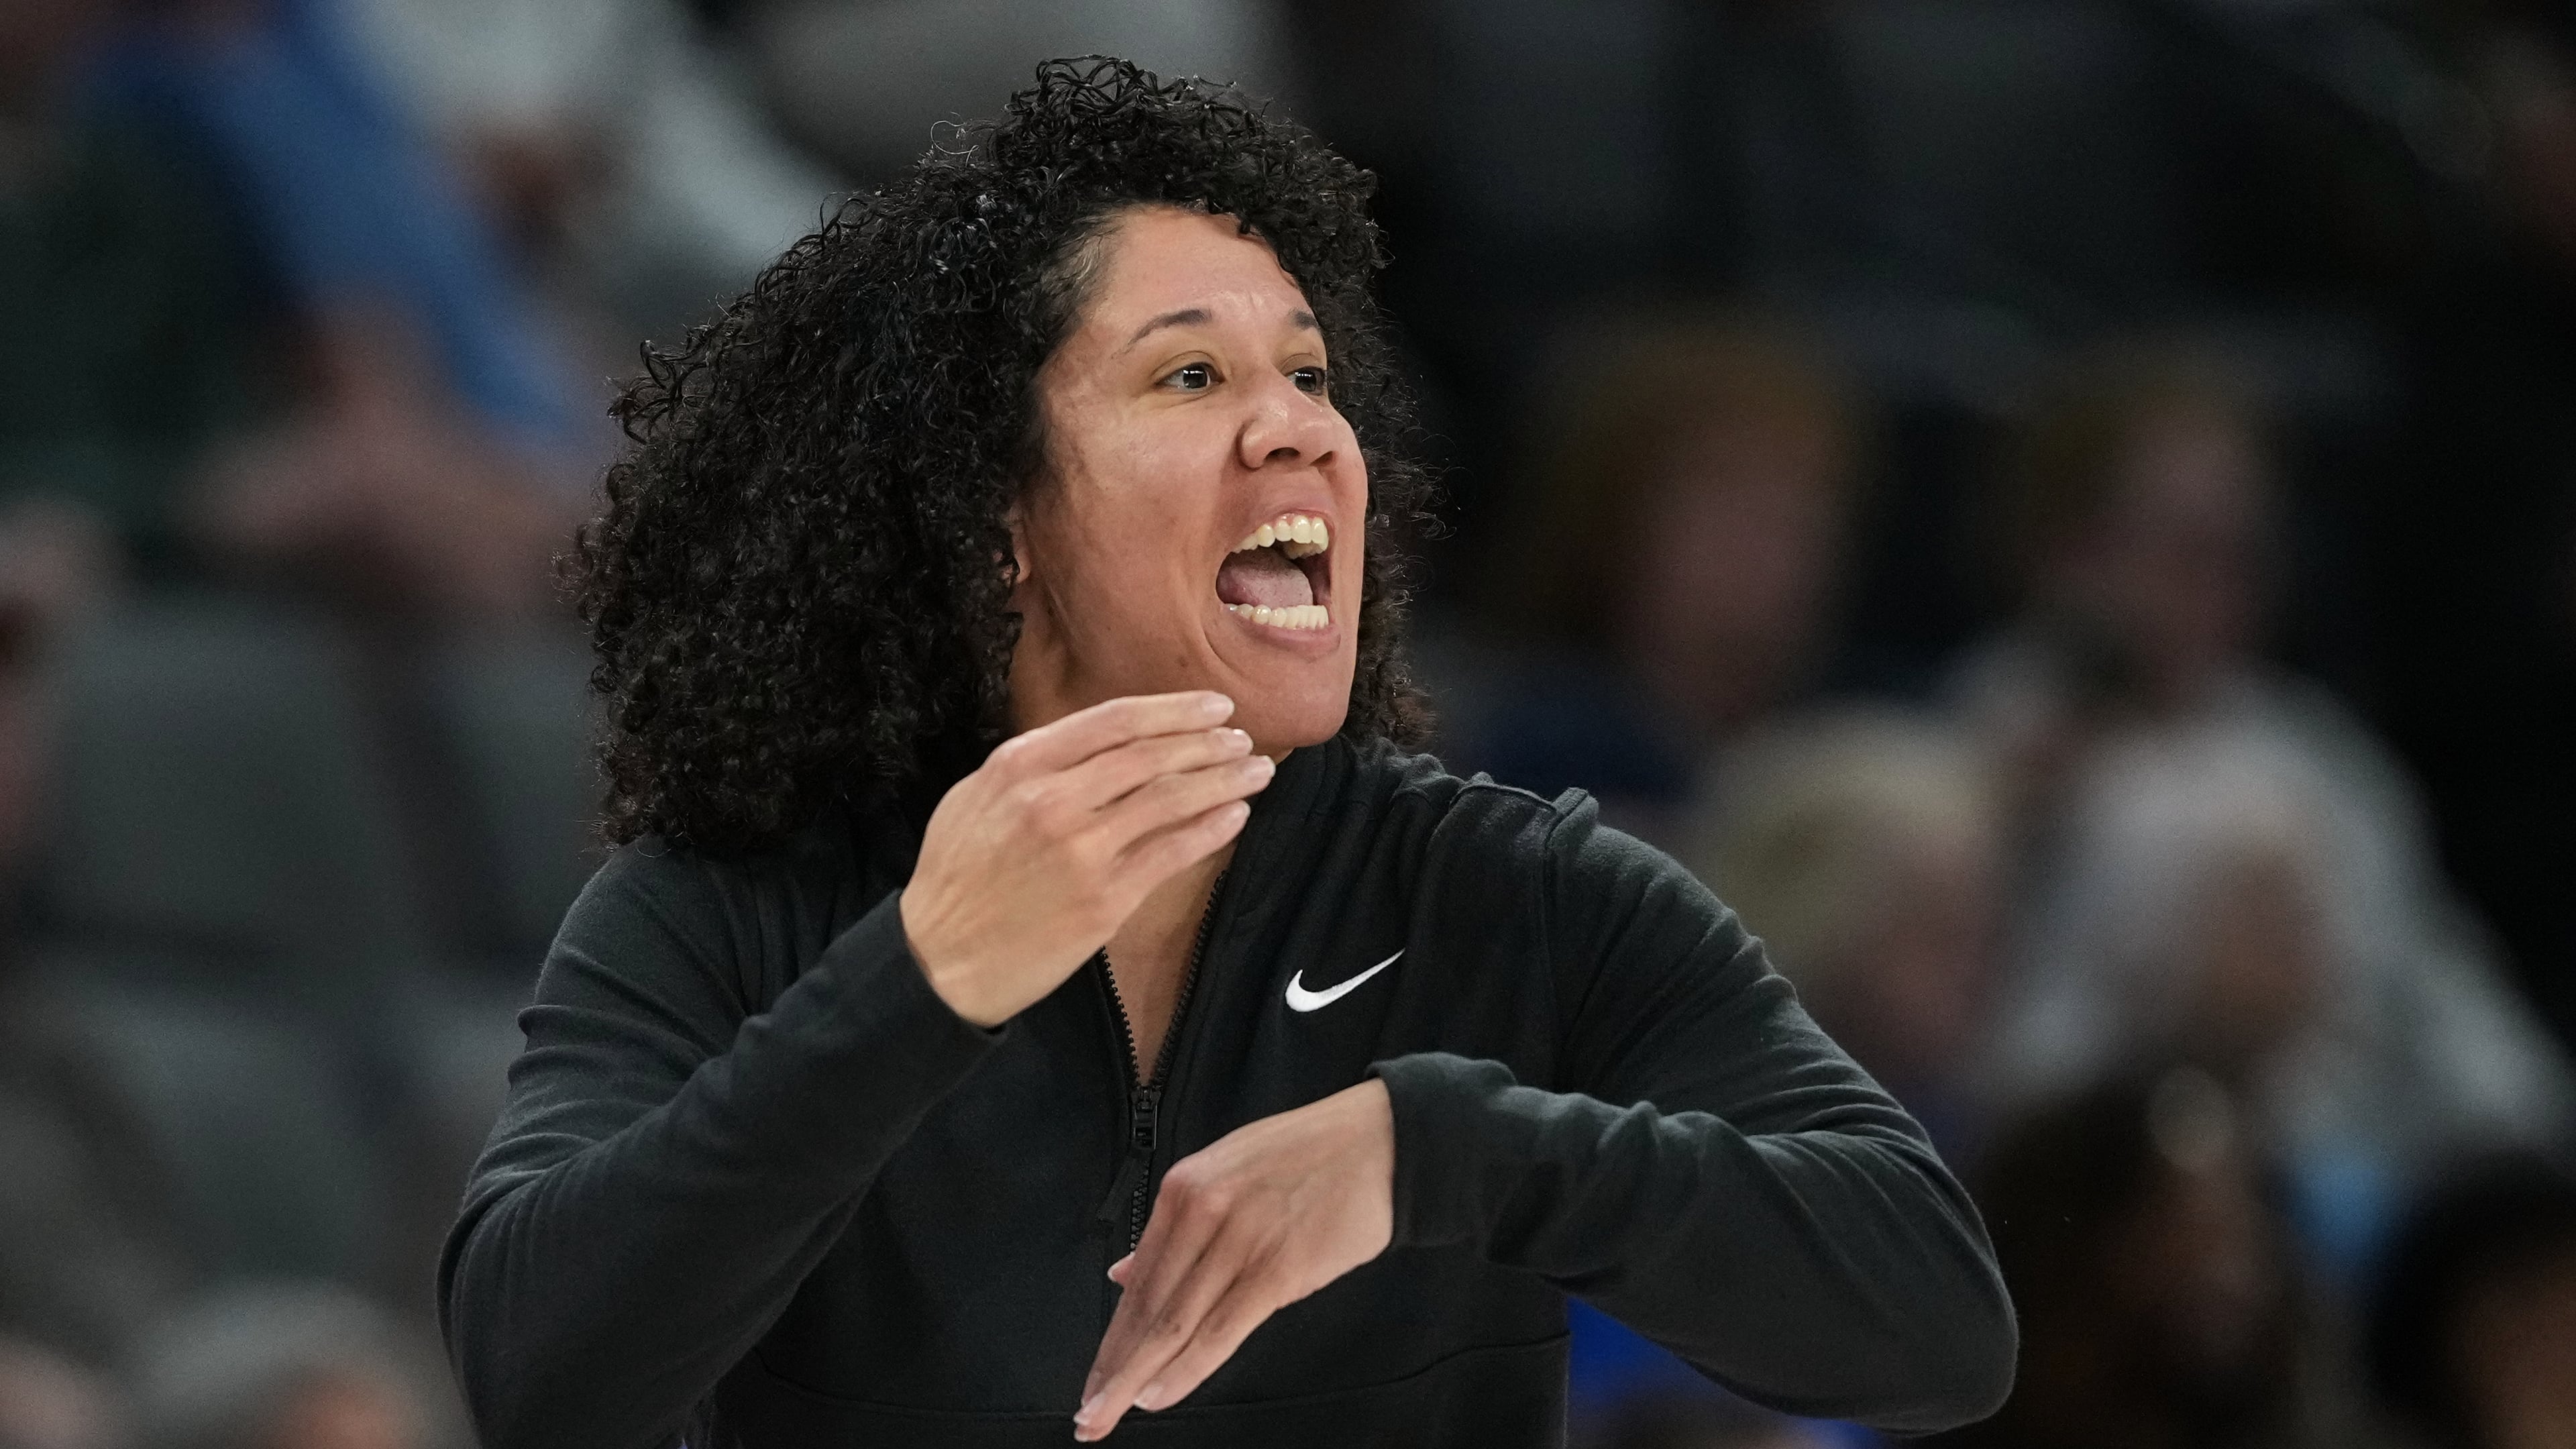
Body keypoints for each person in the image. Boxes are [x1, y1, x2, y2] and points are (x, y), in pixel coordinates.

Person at [437, 58, 2014, 1448]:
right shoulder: (736, 909)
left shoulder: (1511, 899)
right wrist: (916, 988)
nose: (1301, 431)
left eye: (1310, 376)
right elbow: (539, 1384)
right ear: (994, 521)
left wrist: (1441, 1150)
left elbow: (1939, 1323)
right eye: (1191, 375)